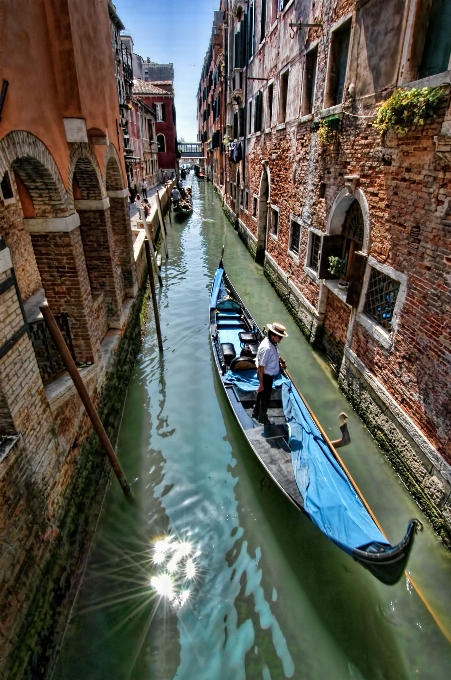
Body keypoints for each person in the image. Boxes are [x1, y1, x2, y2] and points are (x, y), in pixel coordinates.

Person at [252, 322, 288, 425]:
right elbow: (260, 367)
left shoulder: (272, 343)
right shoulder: (267, 348)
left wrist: (281, 361)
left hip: (267, 374)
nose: (281, 339)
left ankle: (256, 412)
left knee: (261, 394)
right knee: (265, 398)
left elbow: (274, 355)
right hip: (265, 376)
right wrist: (261, 383)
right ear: (273, 335)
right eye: (280, 337)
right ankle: (262, 418)